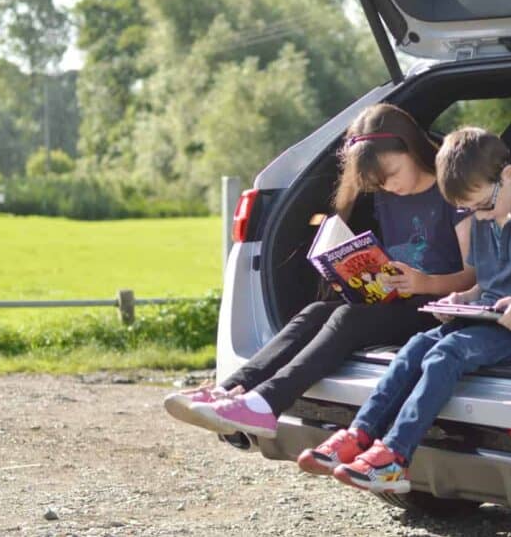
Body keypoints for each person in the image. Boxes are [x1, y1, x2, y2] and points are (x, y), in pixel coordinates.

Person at [163, 104, 475, 452]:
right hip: (397, 300)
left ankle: (265, 404)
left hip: (439, 307)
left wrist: (424, 284)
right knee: (315, 311)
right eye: (379, 182)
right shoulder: (388, 197)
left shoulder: (452, 193)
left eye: (392, 172)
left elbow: (476, 275)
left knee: (345, 317)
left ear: (411, 147)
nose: (389, 185)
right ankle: (231, 388)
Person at [299, 127, 511, 493]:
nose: (479, 218)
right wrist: (461, 300)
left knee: (447, 353)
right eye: (470, 210)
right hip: (487, 316)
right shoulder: (485, 210)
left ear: (508, 176)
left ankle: (395, 458)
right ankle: (359, 433)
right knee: (415, 348)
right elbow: (485, 282)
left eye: (482, 206)